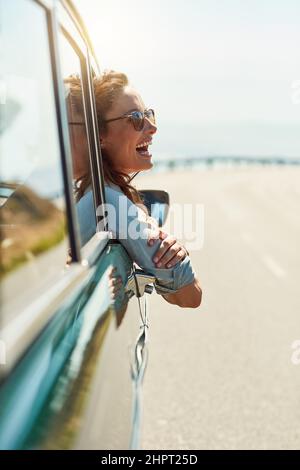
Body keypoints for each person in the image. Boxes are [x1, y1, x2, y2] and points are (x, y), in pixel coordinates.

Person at [66, 72, 202, 308]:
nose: (152, 127)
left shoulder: (91, 194)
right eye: (136, 118)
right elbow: (191, 296)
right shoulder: (109, 202)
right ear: (99, 137)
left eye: (149, 114)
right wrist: (177, 254)